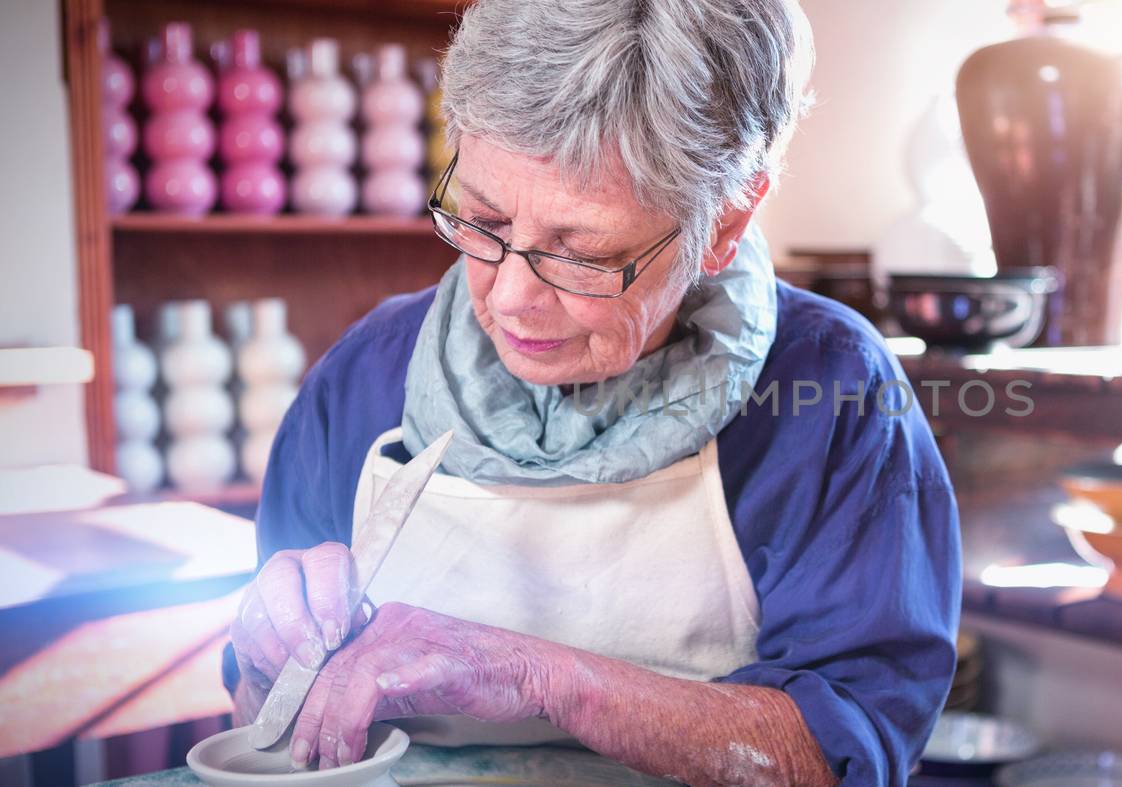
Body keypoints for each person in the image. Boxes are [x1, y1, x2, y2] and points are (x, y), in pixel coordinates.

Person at [224, 1, 960, 784]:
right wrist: (272, 664)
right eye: (483, 219)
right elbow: (254, 717)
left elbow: (843, 750)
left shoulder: (831, 393)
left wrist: (541, 680)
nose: (508, 297)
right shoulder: (365, 379)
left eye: (581, 256)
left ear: (725, 222)